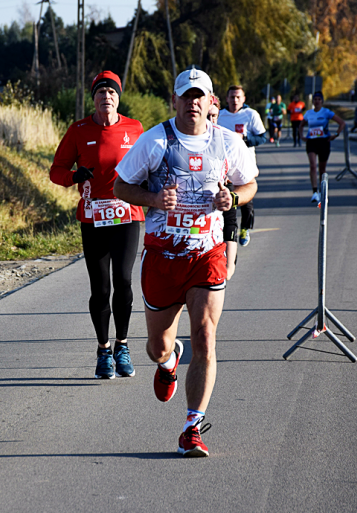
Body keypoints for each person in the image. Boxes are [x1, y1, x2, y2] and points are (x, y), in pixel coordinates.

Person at [114, 67, 258, 457]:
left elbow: (250, 183)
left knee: (206, 337)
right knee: (156, 348)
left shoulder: (228, 143)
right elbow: (120, 185)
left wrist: (235, 199)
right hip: (162, 257)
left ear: (211, 102)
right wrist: (154, 200)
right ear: (174, 100)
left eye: (201, 96)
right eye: (186, 95)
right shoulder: (155, 141)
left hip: (206, 255)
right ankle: (169, 361)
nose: (193, 102)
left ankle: (192, 428)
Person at [50, 71, 145, 379]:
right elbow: (56, 170)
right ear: (93, 98)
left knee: (124, 280)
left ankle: (122, 345)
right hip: (93, 217)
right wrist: (73, 177)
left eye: (112, 92)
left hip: (127, 215)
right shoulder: (78, 130)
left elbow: (151, 166)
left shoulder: (135, 128)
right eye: (101, 92)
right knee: (100, 287)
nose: (107, 97)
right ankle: (103, 350)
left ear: (119, 98)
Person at [217, 85, 267, 247]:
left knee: (246, 201)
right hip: (225, 166)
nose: (235, 100)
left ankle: (245, 228)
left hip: (245, 165)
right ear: (227, 99)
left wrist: (244, 139)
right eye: (232, 97)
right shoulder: (220, 115)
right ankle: (226, 234)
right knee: (227, 200)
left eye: (238, 97)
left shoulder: (250, 115)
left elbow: (262, 138)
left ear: (243, 99)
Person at [208, 96, 238, 280]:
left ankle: (231, 261)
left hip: (224, 193)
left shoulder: (227, 140)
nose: (210, 120)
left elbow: (251, 178)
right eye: (207, 115)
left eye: (214, 116)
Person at [299, 91, 345, 204]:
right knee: (313, 166)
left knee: (322, 169)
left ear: (322, 101)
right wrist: (302, 136)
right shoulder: (308, 113)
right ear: (313, 101)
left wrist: (336, 134)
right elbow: (301, 125)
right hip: (311, 142)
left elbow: (342, 123)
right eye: (315, 99)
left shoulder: (326, 112)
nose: (317, 101)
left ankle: (322, 191)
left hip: (324, 142)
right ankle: (315, 192)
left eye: (319, 99)